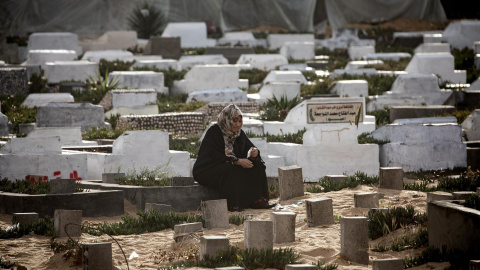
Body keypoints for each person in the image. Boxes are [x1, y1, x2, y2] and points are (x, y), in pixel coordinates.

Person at [193, 104, 272, 211]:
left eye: (240, 121)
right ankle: (231, 204)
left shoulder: (238, 134)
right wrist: (237, 161)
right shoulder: (214, 132)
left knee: (258, 165)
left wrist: (254, 153)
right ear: (227, 119)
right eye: (234, 121)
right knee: (230, 168)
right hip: (208, 170)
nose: (237, 124)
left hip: (230, 167)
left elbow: (249, 148)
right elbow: (216, 156)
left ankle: (257, 200)